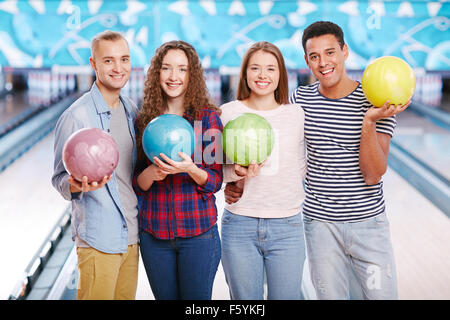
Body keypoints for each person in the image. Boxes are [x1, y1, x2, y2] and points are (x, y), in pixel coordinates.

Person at [225, 21, 410, 300]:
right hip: (319, 225)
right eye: (314, 56)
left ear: (345, 51)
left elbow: (373, 175)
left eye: (330, 52)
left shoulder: (376, 101)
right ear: (307, 61)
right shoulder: (300, 101)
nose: (323, 62)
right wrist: (235, 179)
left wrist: (369, 121)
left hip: (368, 224)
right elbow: (272, 145)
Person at [52, 31, 140, 300]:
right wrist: (76, 185)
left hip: (132, 236)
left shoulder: (132, 110)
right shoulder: (76, 117)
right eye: (109, 61)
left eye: (124, 59)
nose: (118, 68)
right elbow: (59, 178)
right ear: (93, 64)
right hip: (98, 239)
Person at [133, 40, 223, 300]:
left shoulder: (208, 119)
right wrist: (153, 173)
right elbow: (137, 183)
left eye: (182, 69)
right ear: (156, 73)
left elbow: (215, 180)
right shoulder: (144, 121)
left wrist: (191, 169)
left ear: (191, 74)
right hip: (154, 237)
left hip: (198, 236)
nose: (174, 76)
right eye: (166, 68)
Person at [220, 41, 307, 300]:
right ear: (245, 73)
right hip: (239, 224)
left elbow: (301, 166)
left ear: (280, 74)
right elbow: (216, 168)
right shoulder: (227, 113)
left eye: (270, 68)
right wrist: (235, 175)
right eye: (255, 68)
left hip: (288, 226)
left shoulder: (297, 114)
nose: (262, 75)